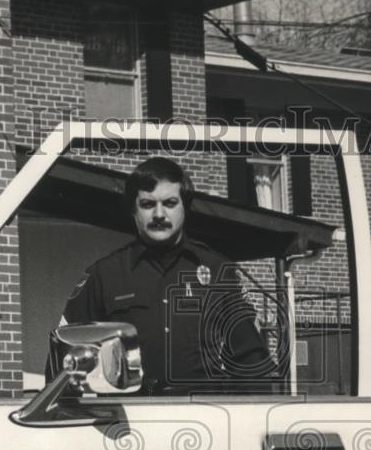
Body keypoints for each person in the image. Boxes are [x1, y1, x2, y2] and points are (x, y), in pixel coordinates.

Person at [58, 157, 276, 394]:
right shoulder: (103, 275)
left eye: (170, 203)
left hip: (205, 418)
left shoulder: (218, 271)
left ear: (185, 207)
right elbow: (66, 363)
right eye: (148, 204)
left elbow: (251, 362)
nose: (159, 214)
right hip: (129, 421)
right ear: (134, 210)